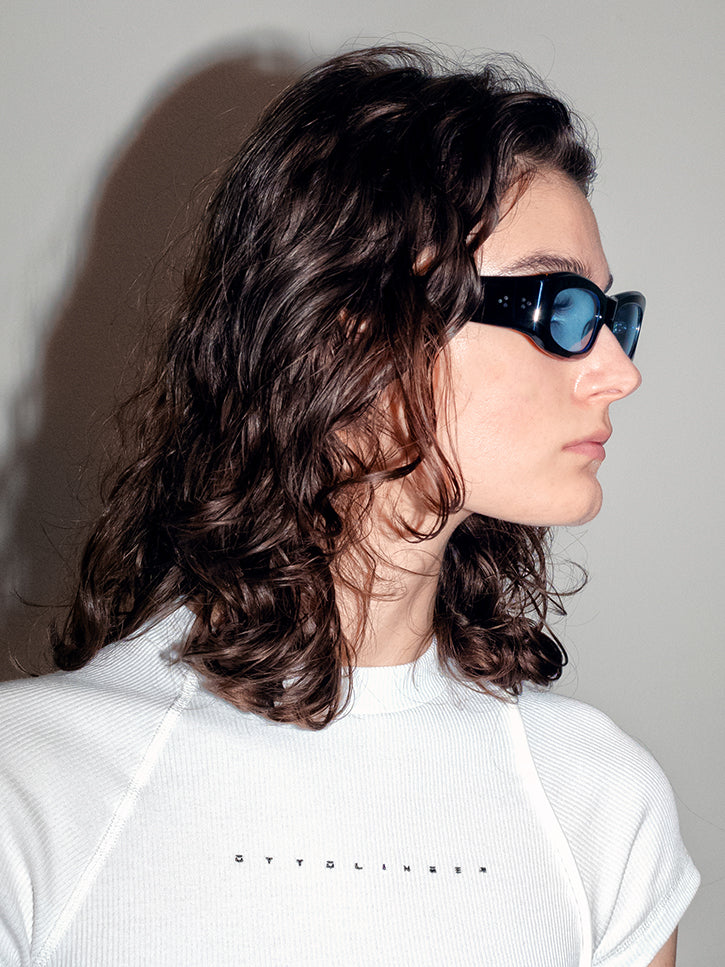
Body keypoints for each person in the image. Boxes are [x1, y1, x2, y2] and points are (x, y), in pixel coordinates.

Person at [0, 45, 699, 966]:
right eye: (562, 309)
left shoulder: (601, 805)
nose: (618, 370)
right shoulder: (32, 784)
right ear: (355, 327)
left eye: (615, 318)